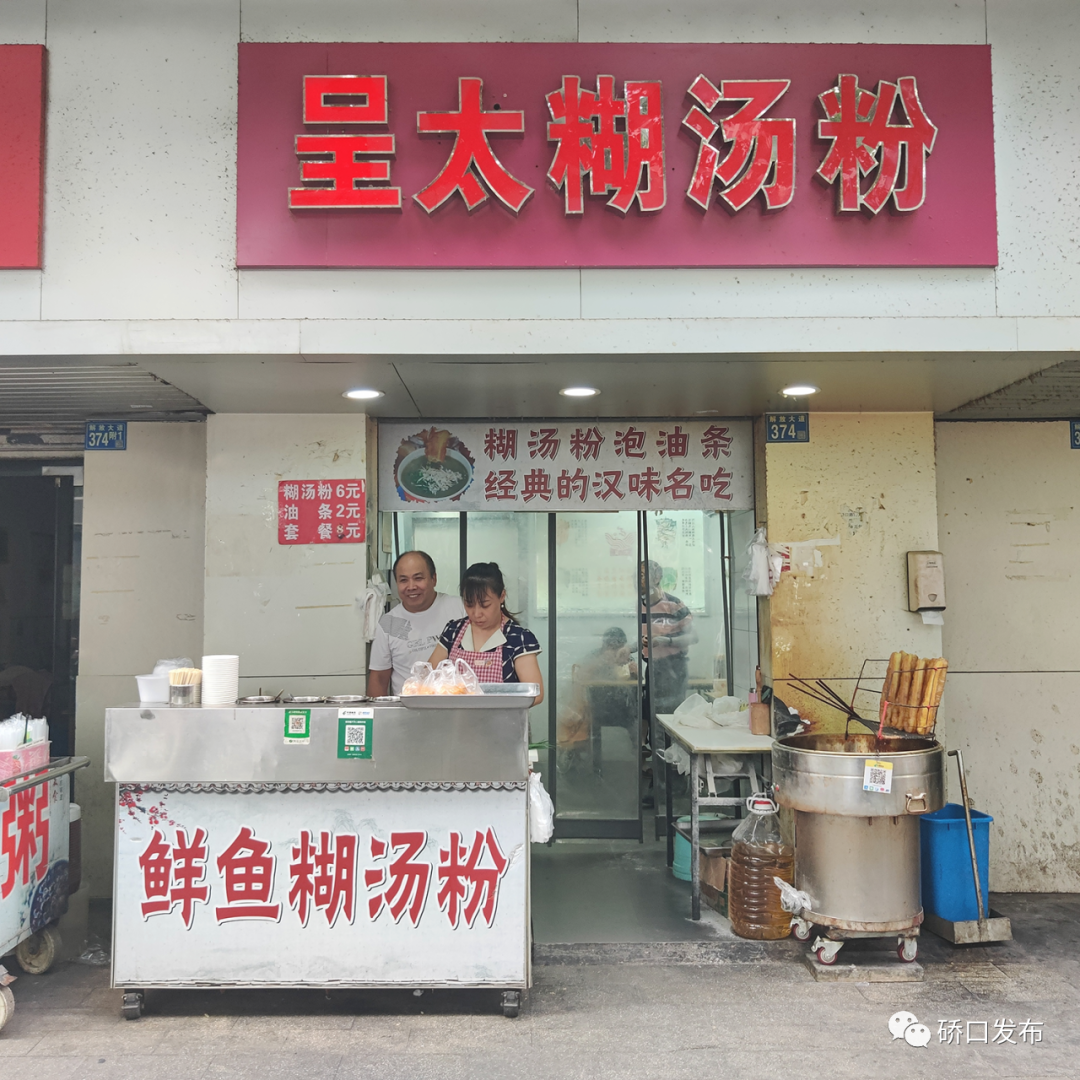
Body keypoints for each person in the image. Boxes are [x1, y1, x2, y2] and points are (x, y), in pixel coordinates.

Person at [429, 562, 544, 706]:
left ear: (502, 596)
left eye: (485, 605)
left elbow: (535, 695)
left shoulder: (518, 638)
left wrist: (494, 708)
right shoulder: (453, 631)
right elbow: (429, 677)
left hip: (502, 719)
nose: (477, 613)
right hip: (457, 719)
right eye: (469, 604)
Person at [367, 551, 465, 696]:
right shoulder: (390, 622)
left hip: (457, 703)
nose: (411, 586)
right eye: (403, 580)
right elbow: (379, 679)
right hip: (408, 707)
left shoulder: (460, 608)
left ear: (434, 579)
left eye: (418, 578)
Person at [639, 560, 697, 720]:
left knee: (671, 717)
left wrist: (665, 641)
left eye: (642, 575)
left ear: (656, 578)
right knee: (652, 717)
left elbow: (693, 637)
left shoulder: (673, 604)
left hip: (674, 668)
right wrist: (629, 648)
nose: (638, 580)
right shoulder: (640, 606)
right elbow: (644, 639)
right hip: (653, 667)